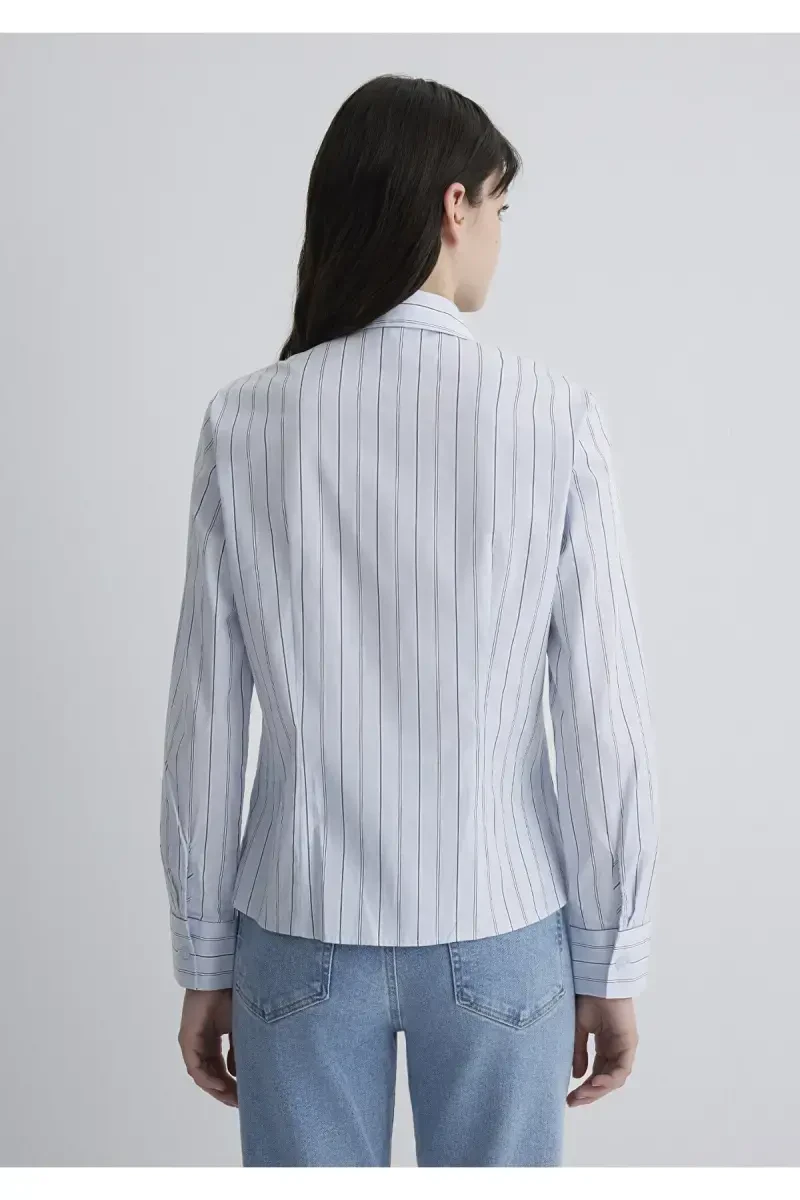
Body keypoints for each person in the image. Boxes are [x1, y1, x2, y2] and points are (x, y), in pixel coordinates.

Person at [159, 73, 659, 1168]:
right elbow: (603, 719)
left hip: (295, 933)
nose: (500, 238)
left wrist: (204, 954)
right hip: (502, 931)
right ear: (453, 206)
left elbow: (204, 719)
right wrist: (610, 957)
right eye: (500, 207)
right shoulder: (554, 417)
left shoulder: (244, 423)